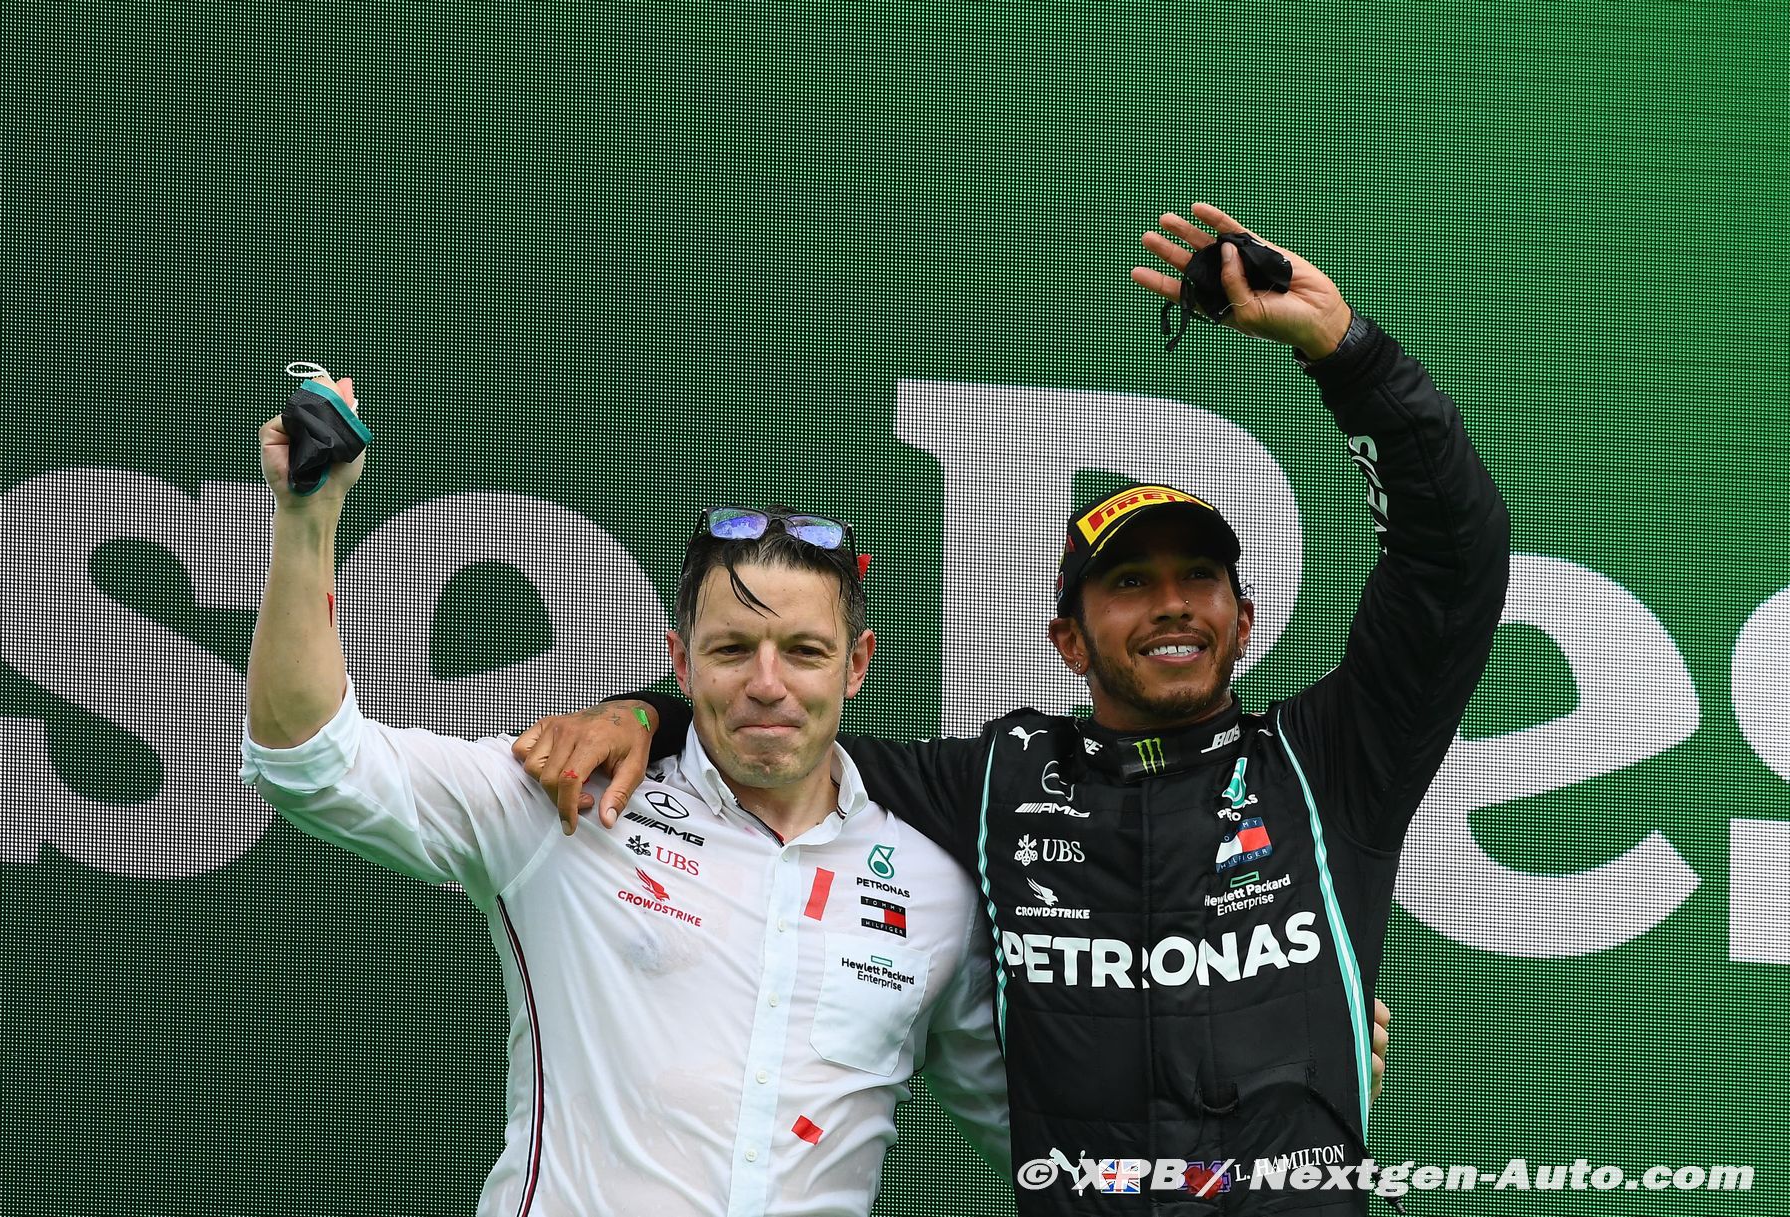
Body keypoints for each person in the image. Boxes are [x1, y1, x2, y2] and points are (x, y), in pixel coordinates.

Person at [515, 203, 1508, 1213]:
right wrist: (647, 714)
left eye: (1200, 577)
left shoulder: (1329, 760)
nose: (1172, 603)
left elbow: (1453, 562)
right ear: (1067, 639)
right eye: (1130, 582)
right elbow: (778, 731)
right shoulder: (1001, 779)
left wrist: (1346, 351)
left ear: (1243, 619)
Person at [237, 390, 1013, 1216]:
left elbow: (1043, 1144)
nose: (767, 683)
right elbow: (310, 759)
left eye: (804, 651)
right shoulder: (565, 796)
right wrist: (309, 516)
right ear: (681, 661)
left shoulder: (936, 887)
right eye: (732, 649)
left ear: (856, 665)